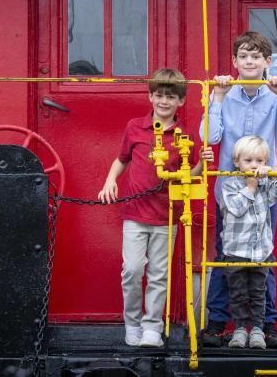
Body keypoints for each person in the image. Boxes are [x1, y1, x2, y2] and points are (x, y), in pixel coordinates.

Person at [199, 31, 277, 348]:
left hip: (264, 193)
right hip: (230, 193)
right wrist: (217, 98)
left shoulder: (274, 97)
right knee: (225, 257)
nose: (249, 61)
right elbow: (210, 135)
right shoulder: (224, 93)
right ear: (234, 61)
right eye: (243, 56)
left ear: (267, 62)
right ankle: (218, 324)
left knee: (264, 258)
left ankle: (267, 326)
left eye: (256, 56)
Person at [98, 68, 214, 348]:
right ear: (150, 96)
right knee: (133, 269)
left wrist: (203, 161)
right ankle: (133, 323)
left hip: (166, 215)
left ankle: (152, 326)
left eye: (171, 97)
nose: (164, 101)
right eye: (159, 95)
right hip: (135, 213)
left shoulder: (184, 135)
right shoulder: (134, 127)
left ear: (181, 102)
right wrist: (109, 181)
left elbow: (191, 173)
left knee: (159, 273)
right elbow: (121, 159)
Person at [219, 136, 277, 349]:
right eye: (248, 160)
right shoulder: (228, 184)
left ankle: (257, 330)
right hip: (236, 250)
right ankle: (239, 330)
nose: (254, 165)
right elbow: (236, 208)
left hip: (260, 251)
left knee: (259, 292)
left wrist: (273, 176)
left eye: (259, 161)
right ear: (237, 162)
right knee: (238, 292)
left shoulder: (265, 183)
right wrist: (250, 186)